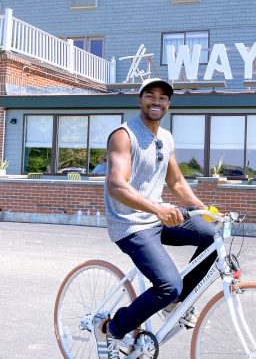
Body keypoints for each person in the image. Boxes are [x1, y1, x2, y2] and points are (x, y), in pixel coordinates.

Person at [95, 78, 216, 358]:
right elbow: (117, 186)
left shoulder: (166, 138)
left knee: (212, 236)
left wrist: (205, 210)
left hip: (157, 216)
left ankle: (176, 303)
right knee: (168, 285)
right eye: (150, 95)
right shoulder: (124, 135)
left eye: (163, 98)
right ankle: (112, 329)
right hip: (130, 224)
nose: (156, 102)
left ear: (168, 104)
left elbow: (177, 183)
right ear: (140, 100)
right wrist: (157, 209)